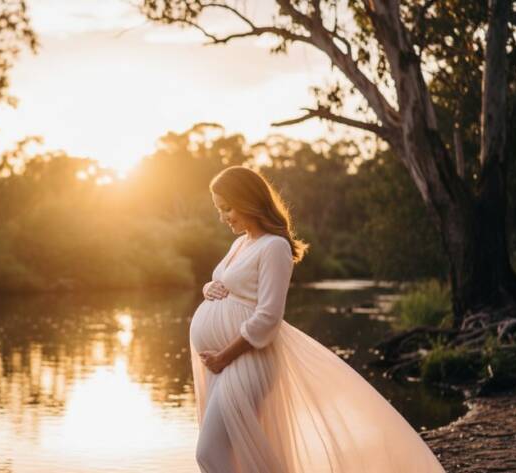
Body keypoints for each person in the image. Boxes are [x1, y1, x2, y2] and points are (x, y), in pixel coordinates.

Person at [189, 165, 445, 473]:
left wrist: (222, 356)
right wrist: (208, 287)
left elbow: (269, 317)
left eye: (226, 208)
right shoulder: (241, 242)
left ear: (247, 201)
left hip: (248, 359)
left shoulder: (275, 247)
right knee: (232, 452)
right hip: (225, 362)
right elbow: (224, 282)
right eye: (219, 209)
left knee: (209, 451)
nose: (222, 217)